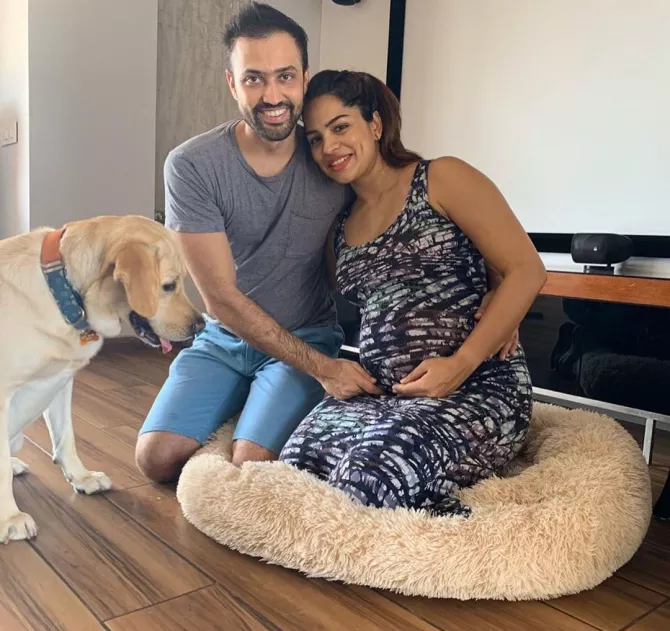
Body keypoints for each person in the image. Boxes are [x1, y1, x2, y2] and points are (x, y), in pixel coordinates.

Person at [135, 3, 515, 483]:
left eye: (285, 76)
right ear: (232, 84)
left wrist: (500, 290)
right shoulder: (192, 165)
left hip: (307, 333)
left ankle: (258, 410)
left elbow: (432, 213)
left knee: (251, 463)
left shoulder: (334, 159)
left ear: (304, 78)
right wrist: (326, 370)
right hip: (225, 336)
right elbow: (221, 299)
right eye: (253, 79)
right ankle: (240, 400)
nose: (273, 95)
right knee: (155, 459)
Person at [278, 70, 547, 516]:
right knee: (294, 471)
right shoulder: (339, 226)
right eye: (315, 139)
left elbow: (526, 269)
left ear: (375, 124)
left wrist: (462, 362)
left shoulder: (441, 177)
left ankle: (450, 523)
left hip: (477, 387)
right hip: (383, 395)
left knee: (366, 482)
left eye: (341, 127)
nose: (329, 148)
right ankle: (423, 495)